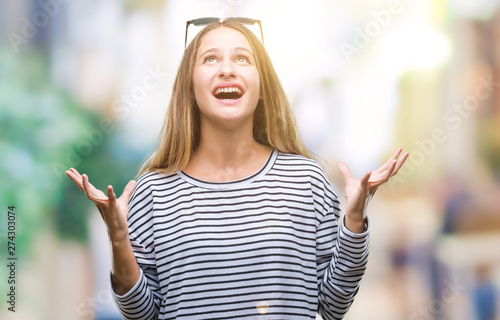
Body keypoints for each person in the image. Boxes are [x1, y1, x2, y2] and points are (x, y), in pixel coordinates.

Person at [66, 17, 408, 320]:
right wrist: (119, 239)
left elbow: (333, 306)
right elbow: (140, 313)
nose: (226, 69)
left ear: (261, 89)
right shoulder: (153, 192)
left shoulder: (307, 181)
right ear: (190, 88)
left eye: (242, 58)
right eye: (210, 58)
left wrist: (354, 222)